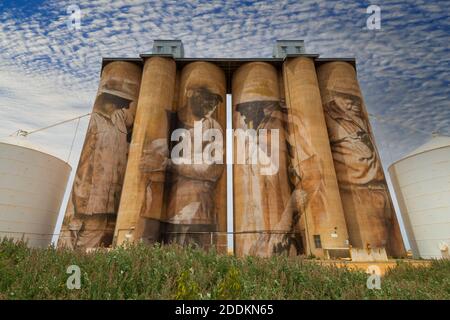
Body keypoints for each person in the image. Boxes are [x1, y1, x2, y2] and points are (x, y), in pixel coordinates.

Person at [58, 81, 137, 250]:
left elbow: (134, 115)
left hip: (109, 196)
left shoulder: (119, 118)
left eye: (122, 103)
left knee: (94, 238)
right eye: (116, 101)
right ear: (106, 100)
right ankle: (66, 268)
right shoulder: (94, 122)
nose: (119, 106)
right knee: (72, 233)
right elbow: (86, 159)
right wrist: (81, 192)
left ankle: (84, 267)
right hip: (89, 194)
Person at [163, 86, 224, 249]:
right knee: (171, 259)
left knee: (201, 259)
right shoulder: (171, 120)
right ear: (190, 93)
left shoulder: (213, 127)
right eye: (206, 97)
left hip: (200, 209)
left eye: (214, 101)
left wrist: (170, 164)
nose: (212, 104)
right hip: (174, 210)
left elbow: (212, 170)